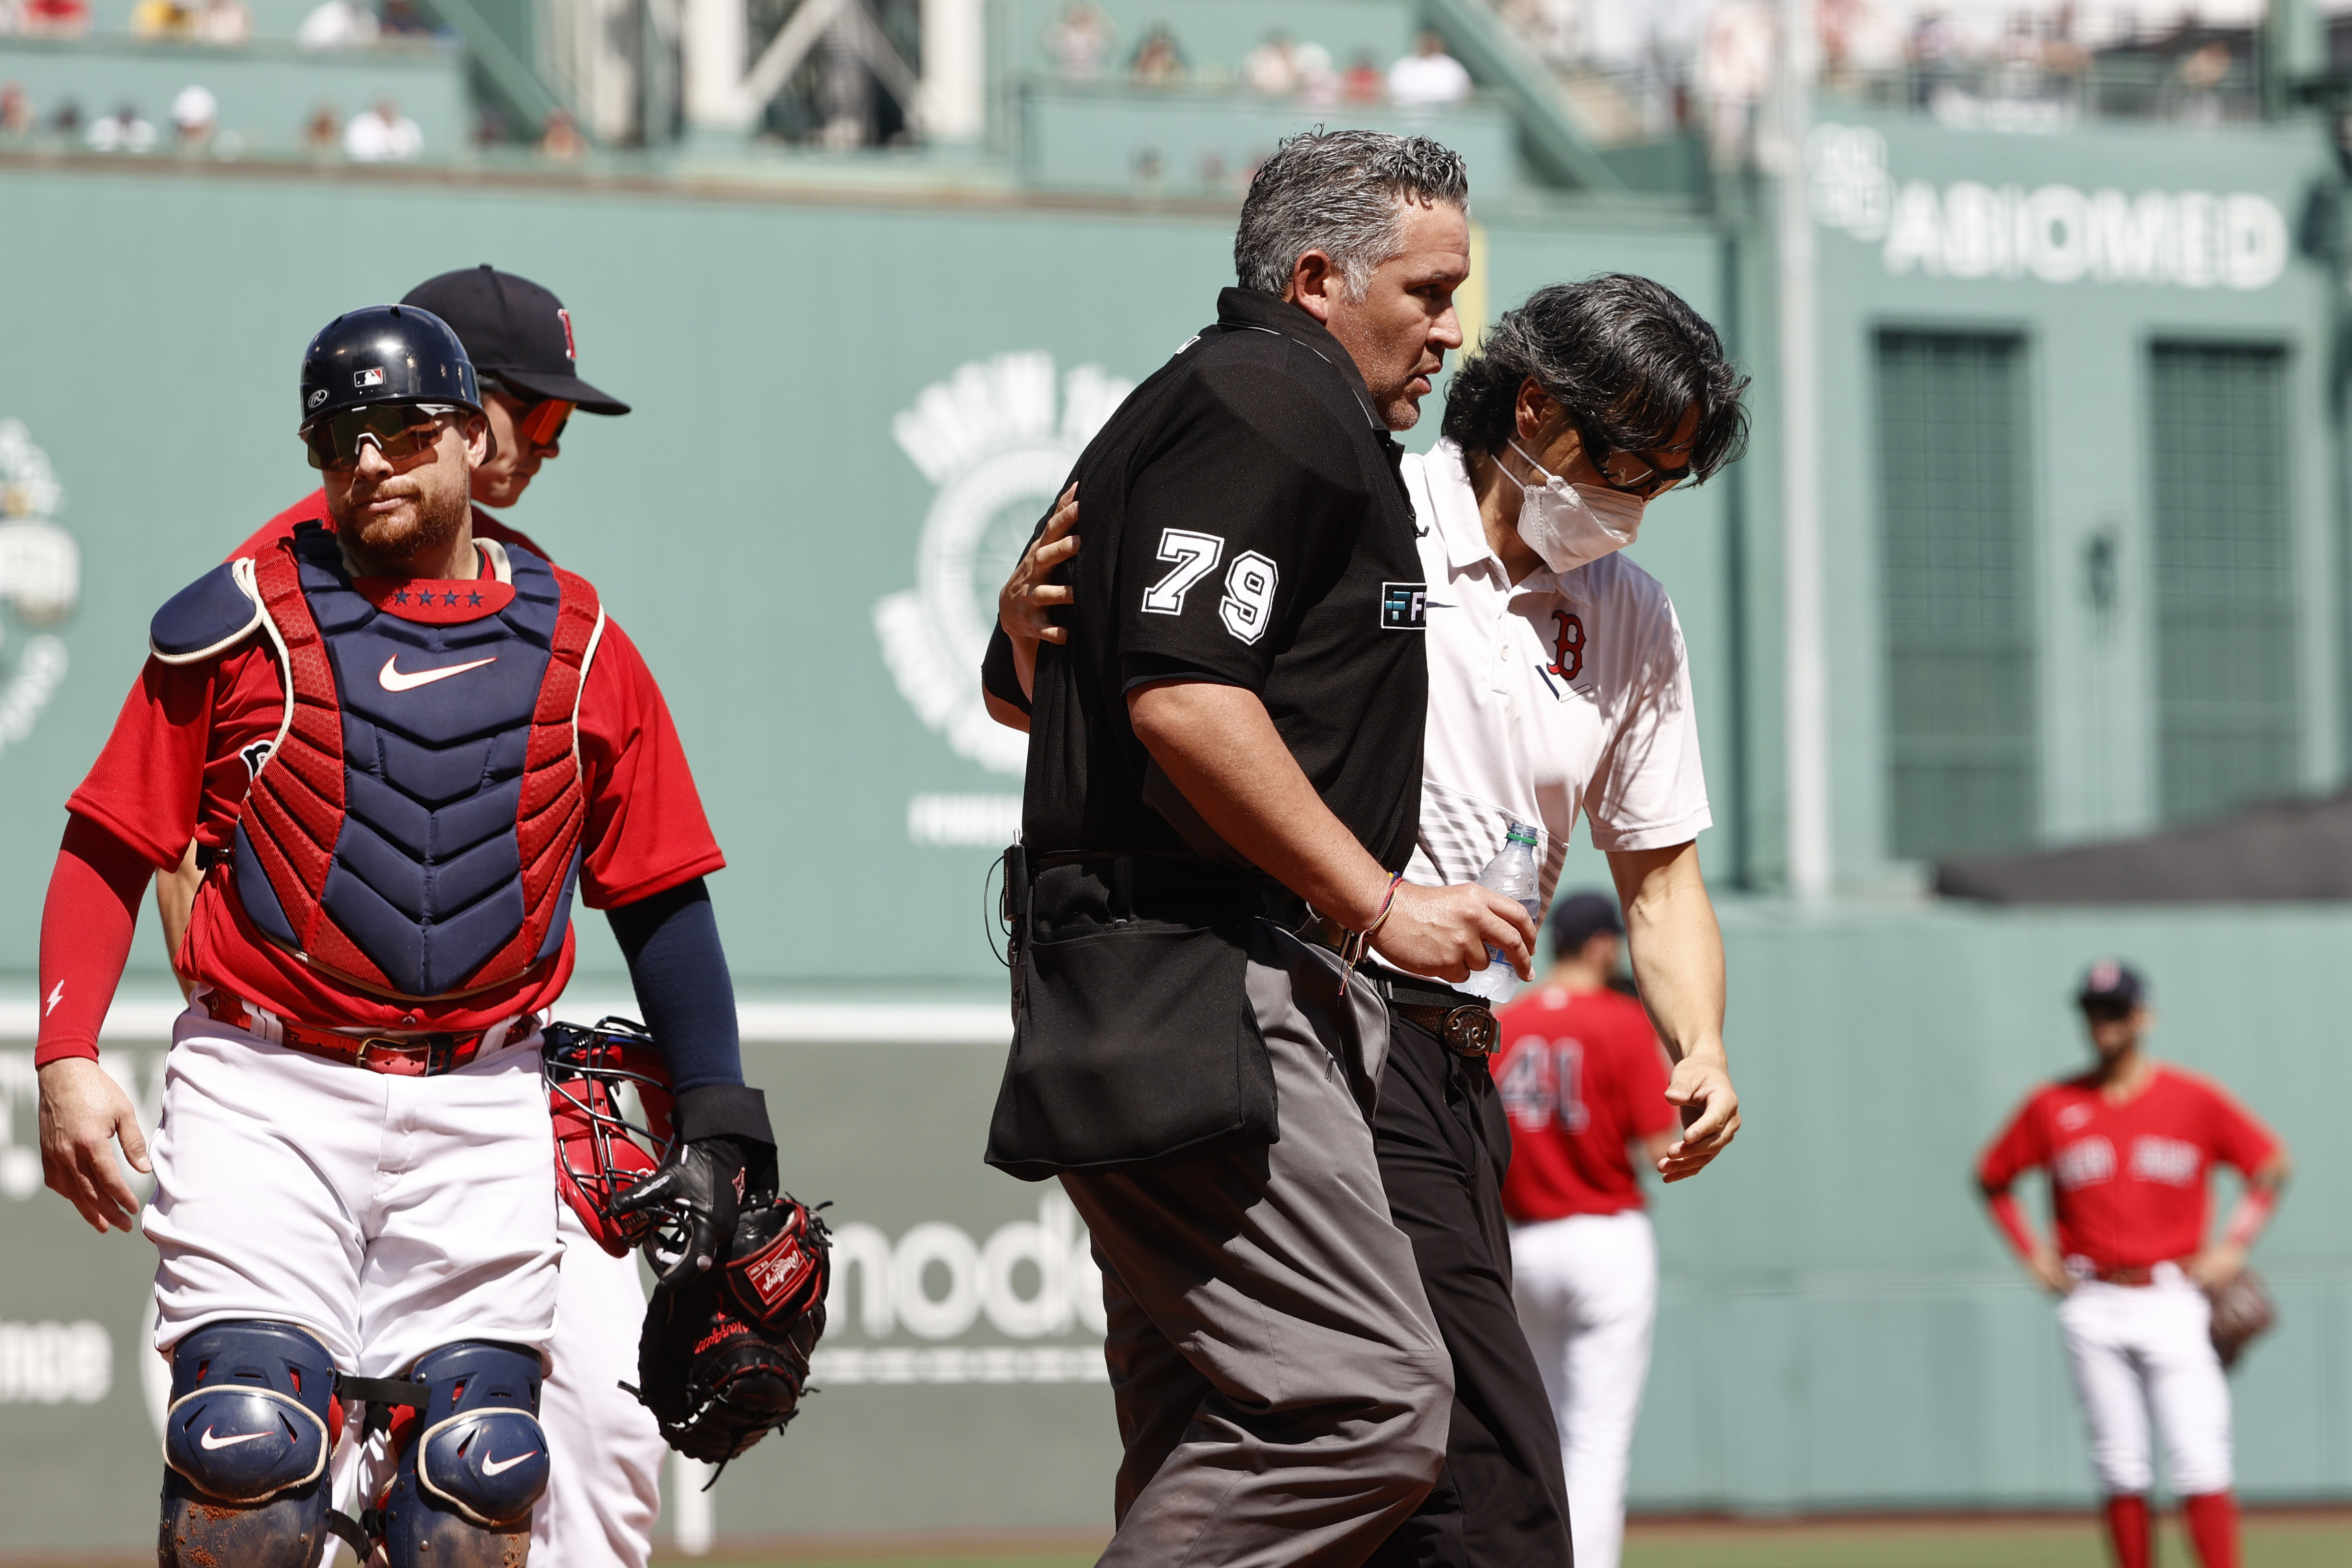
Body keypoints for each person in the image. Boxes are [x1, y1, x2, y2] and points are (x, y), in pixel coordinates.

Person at [993, 270, 1748, 1568]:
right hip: (1309, 1003)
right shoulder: (1363, 505)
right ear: (1530, 403)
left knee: (1251, 1442)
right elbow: (1148, 686)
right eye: (1622, 456)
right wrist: (1022, 642)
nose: (1633, 499)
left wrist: (1701, 1038)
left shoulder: (1632, 614)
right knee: (1480, 1477)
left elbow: (1661, 873)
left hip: (1461, 1058)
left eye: (1667, 478)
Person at [35, 304, 769, 1565]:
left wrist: (720, 1115)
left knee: (475, 1478)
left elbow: (657, 892)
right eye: (337, 439)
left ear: (467, 437)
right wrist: (66, 1051)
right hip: (267, 1082)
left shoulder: (583, 644)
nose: (367, 460)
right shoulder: (242, 618)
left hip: (482, 1097)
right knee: (245, 1447)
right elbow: (111, 834)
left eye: (399, 430)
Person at [978, 129, 1534, 1566]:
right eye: (1423, 289)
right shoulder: (1268, 400)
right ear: (1314, 278)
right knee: (1363, 1404)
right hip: (1205, 973)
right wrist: (1377, 898)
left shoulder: (1219, 404)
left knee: (1213, 1426)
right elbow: (1181, 694)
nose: (1448, 326)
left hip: (1157, 971)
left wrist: (1020, 638)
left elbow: (1039, 682)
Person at [159, 265, 655, 1567]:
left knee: (584, 1448)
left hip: (488, 1092)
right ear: (465, 413)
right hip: (296, 1096)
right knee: (267, 1467)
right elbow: (178, 849)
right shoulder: (284, 574)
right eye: (536, 419)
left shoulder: (543, 597)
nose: (544, 449)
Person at [1977, 960, 2290, 1568]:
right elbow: (1994, 1177)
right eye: (2094, 1010)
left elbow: (2270, 1164)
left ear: (2143, 1016)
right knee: (2120, 1464)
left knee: (2201, 1458)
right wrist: (2029, 1251)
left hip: (2175, 1295)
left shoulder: (2191, 1099)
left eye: (2116, 1009)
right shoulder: (2052, 1104)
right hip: (2092, 1298)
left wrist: (2237, 1242)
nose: (2103, 1022)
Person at [1496, 893, 1681, 1568]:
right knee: (1596, 1440)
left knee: (1537, 1433)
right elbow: (1662, 1145)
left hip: (1522, 1246)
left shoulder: (1505, 1025)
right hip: (1604, 1238)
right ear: (1603, 945)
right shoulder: (1620, 1020)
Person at [1389, 29, 1473, 110]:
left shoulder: (1452, 66)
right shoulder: (1404, 65)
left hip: (1445, 110)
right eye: (1426, 44)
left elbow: (1467, 89)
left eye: (1432, 44)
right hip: (1409, 109)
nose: (1429, 47)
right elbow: (1391, 91)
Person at [345, 94, 422, 161]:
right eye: (382, 107)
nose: (386, 111)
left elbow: (414, 152)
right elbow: (359, 152)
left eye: (389, 107)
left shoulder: (407, 126)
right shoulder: (361, 125)